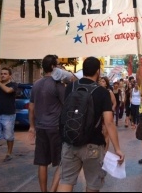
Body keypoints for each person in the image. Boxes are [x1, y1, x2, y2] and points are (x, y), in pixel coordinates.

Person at [57, 57, 124, 192]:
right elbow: (109, 122)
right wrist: (117, 148)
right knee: (93, 184)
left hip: (70, 141)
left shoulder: (71, 87)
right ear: (98, 71)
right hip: (93, 144)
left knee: (66, 181)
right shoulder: (102, 92)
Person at [28, 55, 65, 192]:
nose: (61, 67)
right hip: (55, 128)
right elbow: (66, 105)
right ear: (52, 67)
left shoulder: (36, 84)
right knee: (62, 162)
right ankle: (52, 190)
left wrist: (32, 126)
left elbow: (31, 108)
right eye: (59, 64)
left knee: (42, 162)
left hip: (41, 127)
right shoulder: (58, 85)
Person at [0, 67, 18, 163]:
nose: (3, 75)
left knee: (9, 136)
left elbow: (8, 91)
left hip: (8, 115)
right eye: (1, 73)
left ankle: (9, 153)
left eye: (5, 74)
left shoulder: (13, 85)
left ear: (9, 76)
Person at [99, 76, 117, 152]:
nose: (101, 82)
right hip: (99, 114)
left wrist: (111, 109)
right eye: (100, 81)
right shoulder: (97, 91)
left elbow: (114, 102)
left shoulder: (109, 92)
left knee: (106, 133)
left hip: (106, 115)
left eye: (103, 81)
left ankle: (105, 152)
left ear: (106, 84)